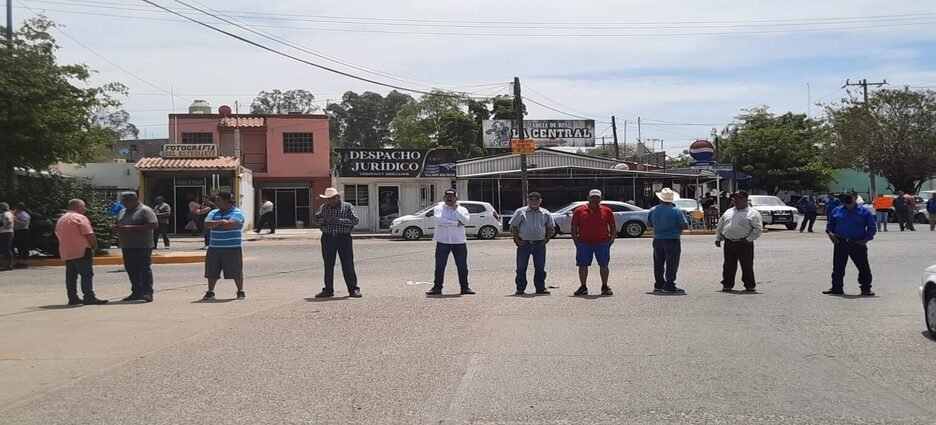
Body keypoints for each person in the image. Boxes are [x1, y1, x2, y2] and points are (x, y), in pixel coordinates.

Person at [55, 199, 108, 305]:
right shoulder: (80, 218)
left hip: (67, 251)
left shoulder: (61, 219)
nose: (85, 209)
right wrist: (95, 246)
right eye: (84, 206)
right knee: (87, 274)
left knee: (71, 276)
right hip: (82, 250)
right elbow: (89, 234)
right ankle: (89, 297)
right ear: (78, 206)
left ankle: (72, 297)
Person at [824, 192, 877, 296]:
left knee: (863, 267)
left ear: (855, 198)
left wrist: (866, 239)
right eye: (844, 197)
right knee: (838, 267)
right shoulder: (836, 210)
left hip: (857, 243)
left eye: (849, 197)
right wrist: (831, 235)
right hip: (840, 242)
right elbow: (830, 226)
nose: (846, 199)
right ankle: (837, 287)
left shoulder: (864, 211)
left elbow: (872, 227)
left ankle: (866, 288)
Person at [314, 187, 362, 298]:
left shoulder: (347, 207)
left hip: (343, 238)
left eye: (332, 198)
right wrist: (325, 221)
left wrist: (339, 221)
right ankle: (328, 290)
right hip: (328, 238)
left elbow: (355, 221)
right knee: (328, 265)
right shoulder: (324, 208)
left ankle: (353, 289)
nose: (330, 201)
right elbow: (316, 220)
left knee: (348, 264)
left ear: (338, 197)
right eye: (328, 199)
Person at [426, 189, 475, 296]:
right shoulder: (439, 208)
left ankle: (465, 287)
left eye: (451, 197)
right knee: (440, 266)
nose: (449, 199)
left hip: (459, 241)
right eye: (447, 197)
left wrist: (455, 210)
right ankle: (437, 288)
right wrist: (456, 223)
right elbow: (440, 221)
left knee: (462, 266)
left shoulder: (462, 209)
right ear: (444, 198)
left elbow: (466, 221)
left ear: (456, 198)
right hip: (442, 241)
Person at [201, 192, 246, 300]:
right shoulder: (214, 212)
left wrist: (215, 224)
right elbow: (207, 224)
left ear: (226, 201)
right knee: (212, 271)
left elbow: (232, 225)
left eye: (218, 200)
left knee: (236, 270)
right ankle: (210, 291)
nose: (216, 202)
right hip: (214, 247)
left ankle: (240, 290)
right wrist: (221, 221)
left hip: (232, 247)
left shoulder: (237, 212)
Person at [715, 191, 764, 292]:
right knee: (728, 265)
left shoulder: (753, 213)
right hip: (729, 242)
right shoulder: (729, 211)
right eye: (734, 198)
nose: (736, 200)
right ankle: (727, 284)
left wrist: (748, 239)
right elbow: (720, 225)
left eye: (739, 198)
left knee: (747, 265)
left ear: (746, 199)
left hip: (744, 243)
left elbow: (758, 229)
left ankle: (749, 285)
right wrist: (718, 238)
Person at [571, 189, 616, 296]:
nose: (594, 199)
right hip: (584, 243)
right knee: (582, 265)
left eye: (597, 197)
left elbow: (613, 226)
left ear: (601, 199)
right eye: (592, 197)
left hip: (602, 242)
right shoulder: (579, 210)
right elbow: (574, 227)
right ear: (588, 198)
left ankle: (605, 286)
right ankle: (583, 286)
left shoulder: (607, 210)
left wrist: (612, 239)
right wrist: (576, 241)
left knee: (604, 265)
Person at [114, 192, 158, 303]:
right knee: (131, 269)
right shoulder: (123, 211)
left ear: (135, 200)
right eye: (123, 202)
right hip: (127, 245)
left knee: (144, 269)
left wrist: (132, 228)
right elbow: (118, 222)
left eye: (126, 202)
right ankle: (136, 292)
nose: (124, 205)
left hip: (142, 245)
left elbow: (153, 224)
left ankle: (147, 293)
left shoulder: (145, 210)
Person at [509, 192, 555, 295]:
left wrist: (547, 239)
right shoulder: (520, 212)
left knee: (540, 268)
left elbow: (550, 227)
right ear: (528, 201)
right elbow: (514, 227)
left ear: (540, 201)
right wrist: (517, 240)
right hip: (524, 244)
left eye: (536, 200)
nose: (534, 202)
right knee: (521, 268)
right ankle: (520, 288)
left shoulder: (545, 213)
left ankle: (540, 288)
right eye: (531, 200)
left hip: (539, 245)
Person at [648, 188, 689, 294]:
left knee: (658, 263)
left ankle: (659, 284)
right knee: (672, 263)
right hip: (672, 238)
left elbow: (649, 224)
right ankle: (669, 284)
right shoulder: (676, 210)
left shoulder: (653, 210)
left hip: (657, 239)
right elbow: (684, 225)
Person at [0, 202, 14, 271]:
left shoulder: (7, 213)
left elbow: (10, 221)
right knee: (3, 248)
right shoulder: (5, 213)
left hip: (7, 233)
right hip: (4, 232)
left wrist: (5, 226)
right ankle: (5, 264)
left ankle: (9, 265)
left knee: (7, 248)